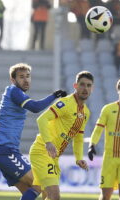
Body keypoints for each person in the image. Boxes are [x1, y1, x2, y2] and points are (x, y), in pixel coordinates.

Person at [0, 63, 66, 200]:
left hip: (4, 152)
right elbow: (35, 107)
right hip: (7, 152)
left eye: (28, 76)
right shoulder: (15, 92)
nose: (26, 80)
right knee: (40, 185)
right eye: (21, 77)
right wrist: (54, 95)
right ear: (13, 80)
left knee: (30, 191)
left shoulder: (10, 94)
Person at [29, 71, 94, 200]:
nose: (85, 88)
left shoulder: (86, 112)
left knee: (43, 194)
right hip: (42, 150)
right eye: (82, 85)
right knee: (55, 195)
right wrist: (48, 142)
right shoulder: (65, 103)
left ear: (92, 88)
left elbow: (79, 137)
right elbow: (41, 119)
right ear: (75, 86)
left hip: (54, 157)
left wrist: (79, 158)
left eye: (88, 85)